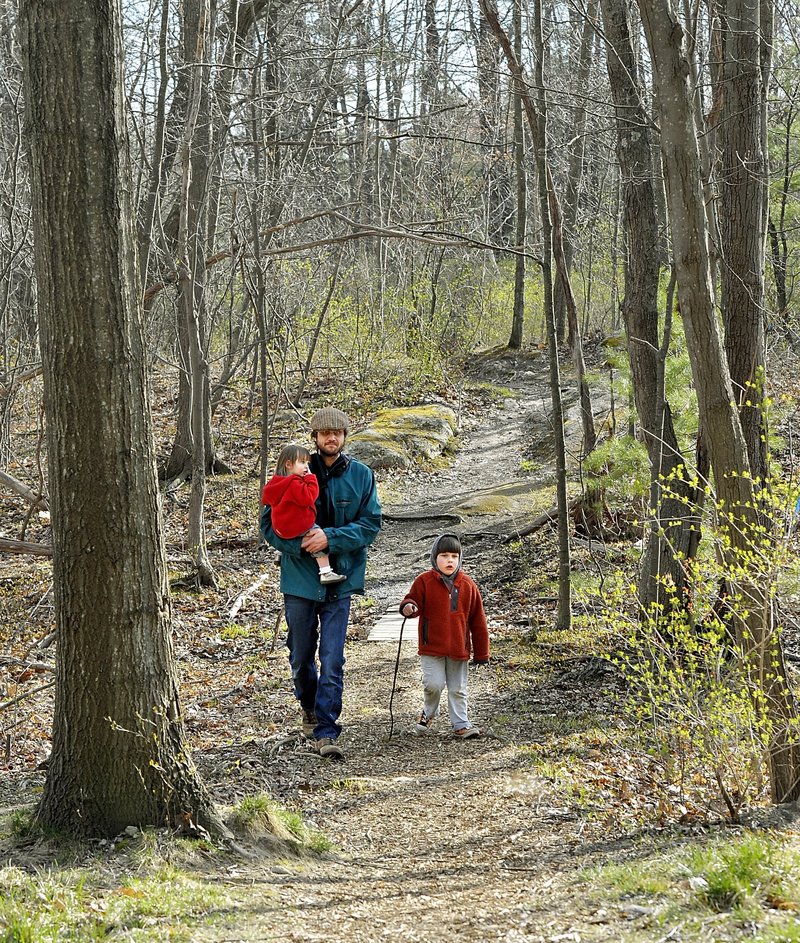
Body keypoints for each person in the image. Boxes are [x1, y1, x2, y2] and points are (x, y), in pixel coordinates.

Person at [260, 407, 382, 760]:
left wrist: (329, 538)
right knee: (300, 657)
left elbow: (370, 524)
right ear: (314, 437)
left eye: (337, 432)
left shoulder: (361, 475)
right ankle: (309, 707)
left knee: (332, 658)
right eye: (325, 432)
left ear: (345, 437)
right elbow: (269, 527)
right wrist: (300, 543)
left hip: (340, 581)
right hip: (299, 580)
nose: (331, 438)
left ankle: (327, 730)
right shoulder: (292, 470)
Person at [399, 533, 489, 739]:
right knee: (433, 685)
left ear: (460, 559)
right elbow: (411, 600)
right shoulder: (424, 581)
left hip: (459, 648)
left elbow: (478, 621)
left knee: (458, 688)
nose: (450, 560)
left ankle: (461, 723)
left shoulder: (468, 585)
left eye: (454, 556)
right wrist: (408, 607)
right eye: (444, 555)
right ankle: (429, 711)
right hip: (431, 646)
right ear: (434, 558)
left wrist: (482, 653)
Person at [261, 443, 346, 585]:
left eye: (307, 462)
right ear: (288, 464)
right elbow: (309, 497)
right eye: (302, 462)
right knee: (317, 536)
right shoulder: (294, 482)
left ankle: (279, 552)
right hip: (297, 526)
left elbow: (267, 501)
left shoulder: (275, 483)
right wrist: (312, 479)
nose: (307, 466)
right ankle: (325, 571)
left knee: (290, 533)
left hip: (280, 528)